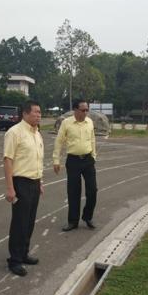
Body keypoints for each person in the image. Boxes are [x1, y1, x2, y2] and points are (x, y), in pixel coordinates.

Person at [3, 100, 44, 276]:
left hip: (34, 182)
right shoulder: (14, 132)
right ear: (25, 113)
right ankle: (15, 260)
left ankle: (24, 253)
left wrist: (40, 182)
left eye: (40, 112)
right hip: (21, 183)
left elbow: (37, 159)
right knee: (19, 223)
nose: (39, 115)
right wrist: (10, 188)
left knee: (29, 221)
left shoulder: (37, 133)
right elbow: (8, 160)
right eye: (36, 112)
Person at [53, 99, 97, 232]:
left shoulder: (89, 122)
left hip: (88, 160)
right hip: (73, 161)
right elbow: (59, 141)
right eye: (83, 110)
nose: (86, 112)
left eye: (87, 110)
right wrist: (56, 160)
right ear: (76, 110)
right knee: (73, 192)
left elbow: (92, 139)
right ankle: (73, 221)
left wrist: (94, 156)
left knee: (92, 190)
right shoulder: (66, 123)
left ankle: (87, 217)